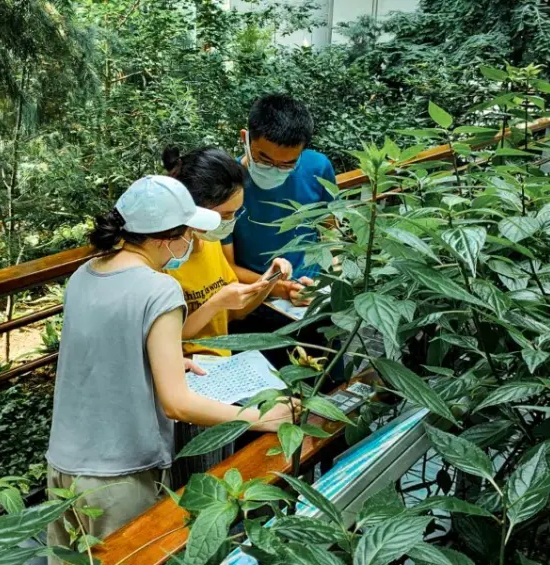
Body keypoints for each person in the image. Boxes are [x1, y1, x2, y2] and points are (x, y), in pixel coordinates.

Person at [45, 175, 296, 560]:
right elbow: (176, 404)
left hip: (63, 466)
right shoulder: (159, 288)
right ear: (167, 237)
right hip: (119, 476)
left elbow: (98, 350)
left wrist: (159, 358)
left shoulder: (86, 273)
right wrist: (260, 418)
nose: (192, 241)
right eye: (189, 233)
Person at [161, 146, 293, 485]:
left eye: (236, 213)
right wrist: (216, 303)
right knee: (205, 480)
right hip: (189, 385)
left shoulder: (209, 244)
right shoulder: (164, 260)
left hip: (225, 368)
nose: (231, 223)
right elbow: (170, 340)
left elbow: (236, 311)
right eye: (224, 215)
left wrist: (268, 282)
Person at [223, 93, 343, 379]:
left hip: (313, 302)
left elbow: (329, 232)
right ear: (246, 138)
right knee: (266, 398)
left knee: (329, 387)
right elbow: (226, 267)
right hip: (256, 306)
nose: (275, 169)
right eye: (264, 158)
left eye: (287, 163)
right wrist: (278, 288)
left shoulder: (318, 167)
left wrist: (331, 280)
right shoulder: (226, 183)